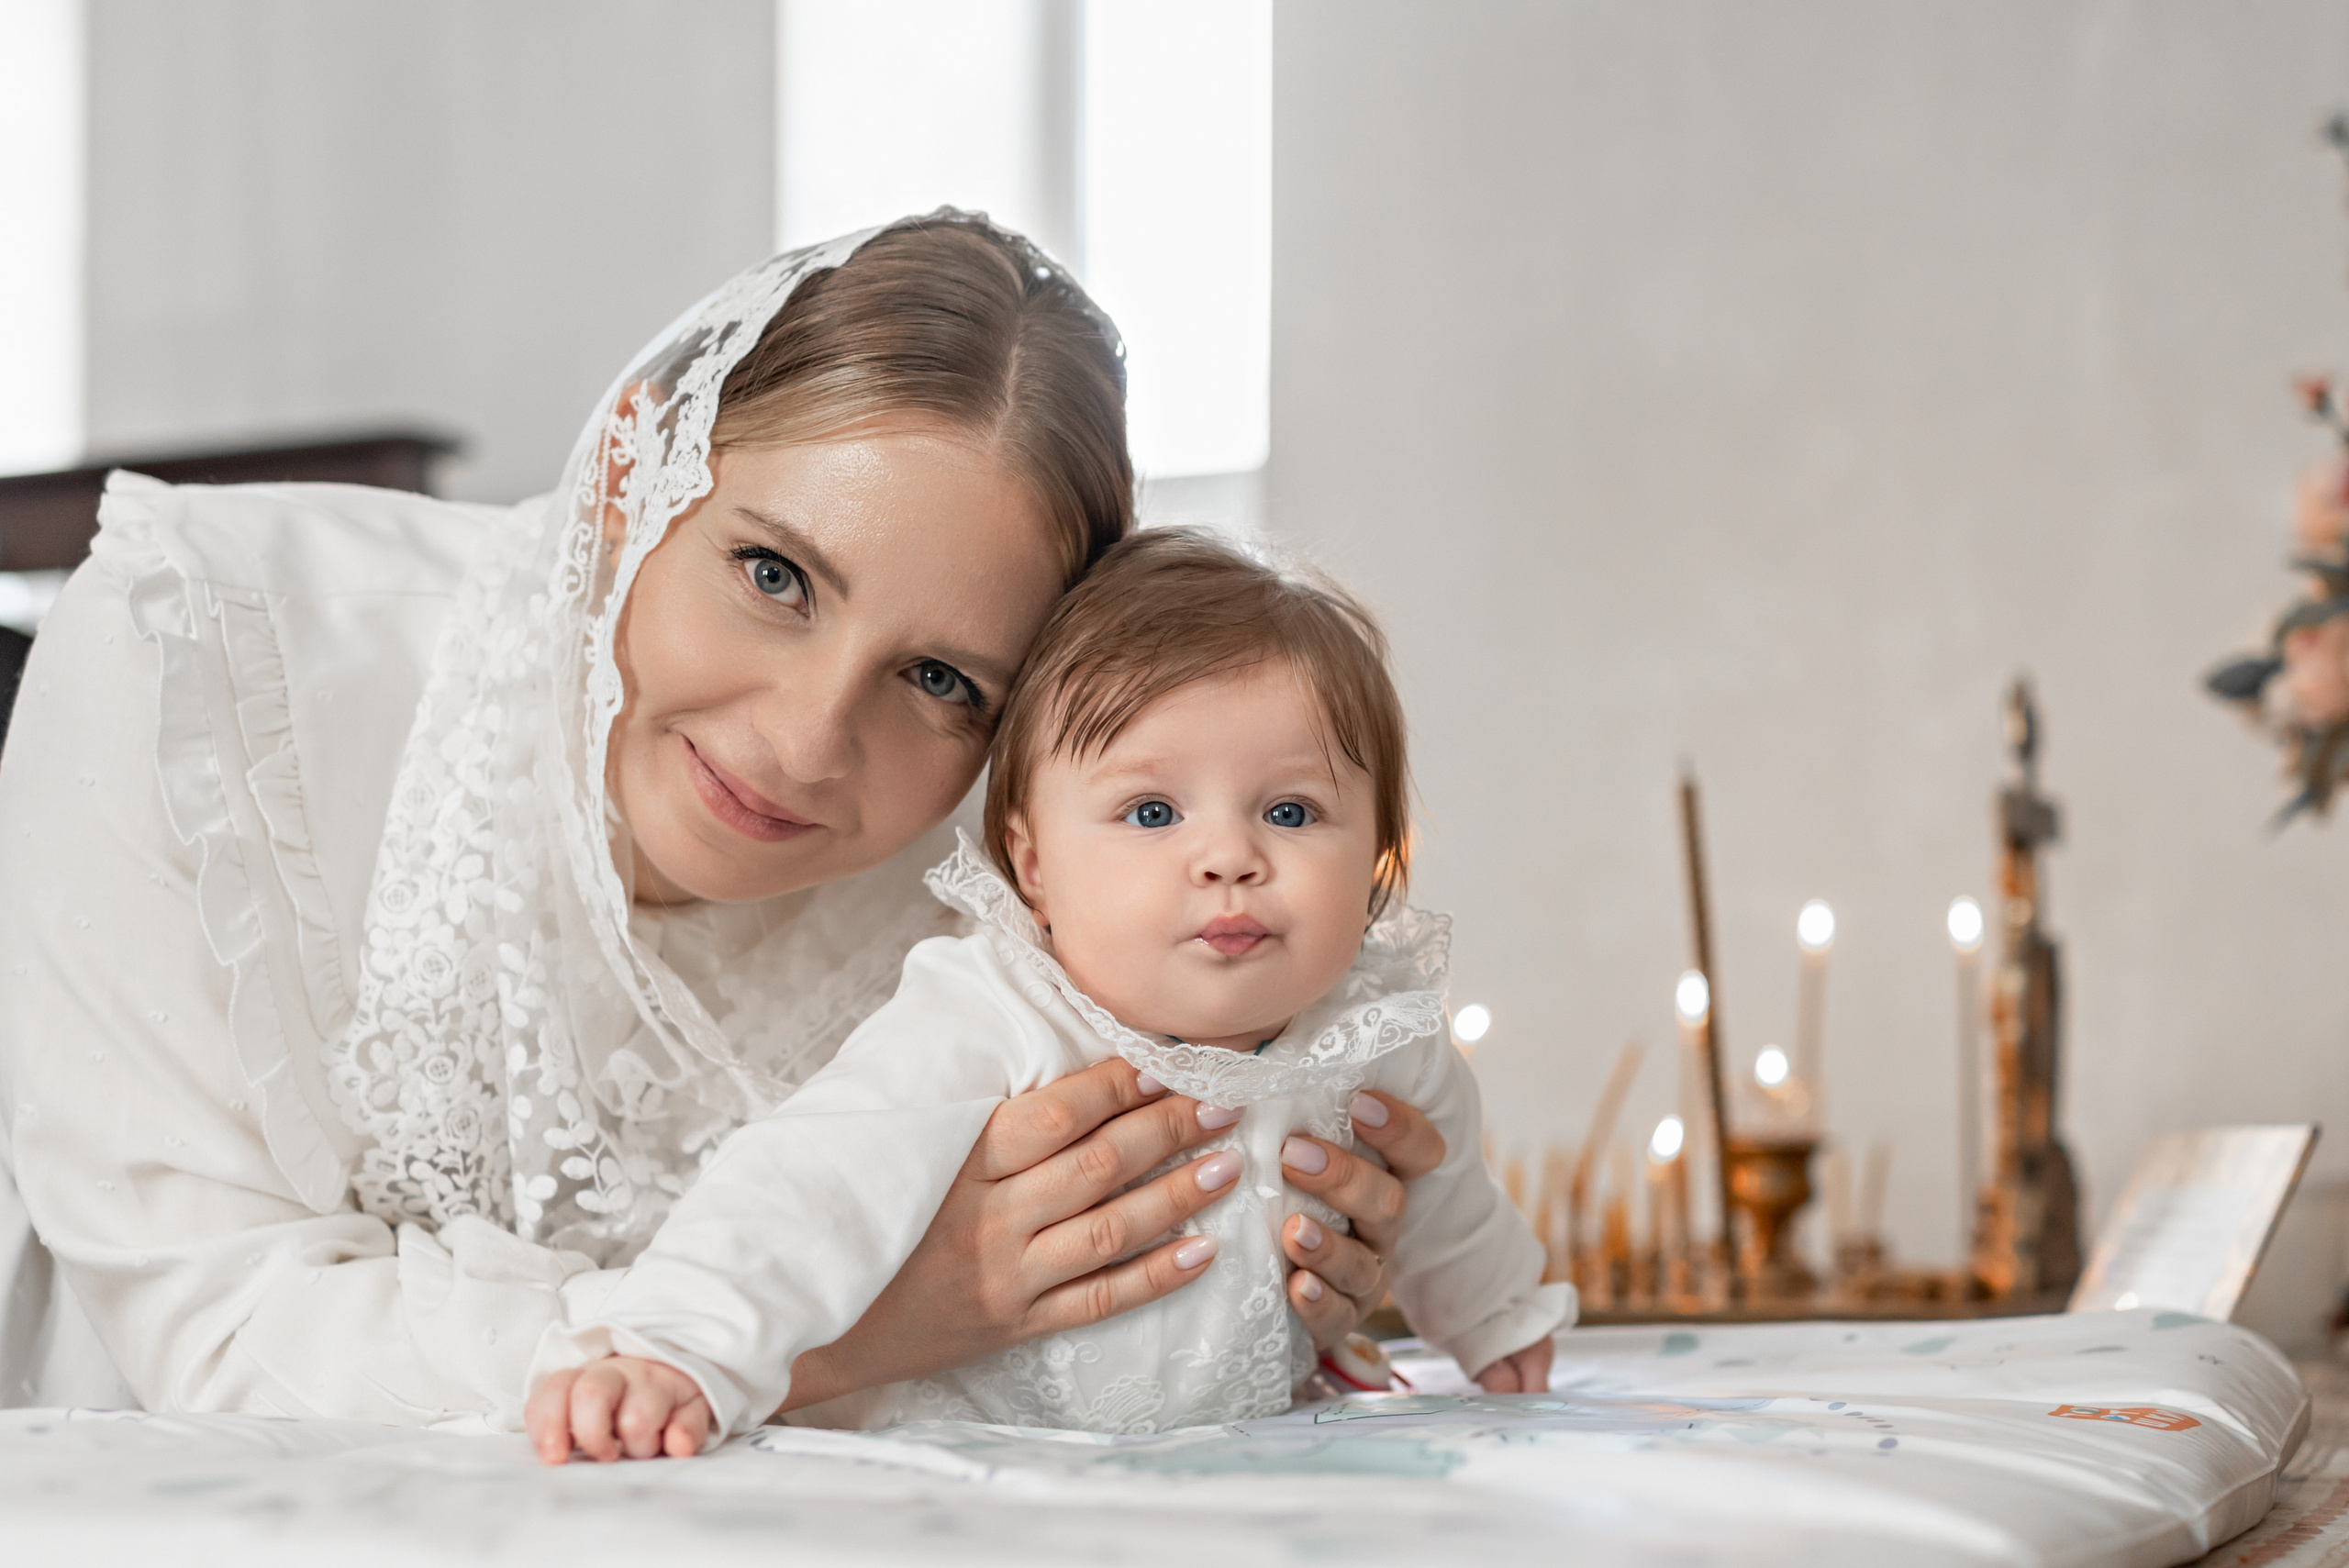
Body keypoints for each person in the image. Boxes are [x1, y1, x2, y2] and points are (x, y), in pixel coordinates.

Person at [0, 214, 1443, 1426]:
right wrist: (843, 1335)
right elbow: (216, 1341)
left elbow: (1120, 1254)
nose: (809, 742)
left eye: (940, 680)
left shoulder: (1009, 891)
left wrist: (1264, 1246)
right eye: (774, 576)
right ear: (630, 473)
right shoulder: (197, 650)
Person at [529, 528, 1573, 1462]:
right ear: (1033, 864)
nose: (1229, 855)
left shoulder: (1374, 1030)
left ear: (1377, 849)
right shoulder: (994, 1011)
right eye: (1152, 810)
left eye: (1291, 811)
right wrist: (676, 1347)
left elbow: (1449, 1197)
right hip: (970, 1454)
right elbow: (818, 1180)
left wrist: (1496, 1315)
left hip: (1234, 1459)